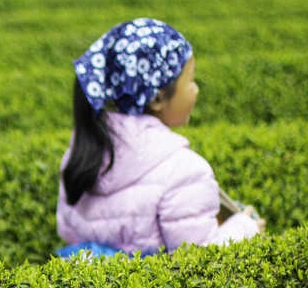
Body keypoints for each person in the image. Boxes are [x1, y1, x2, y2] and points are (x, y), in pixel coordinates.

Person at [56, 18, 264, 258]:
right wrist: (246, 227)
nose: (195, 89)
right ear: (157, 99)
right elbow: (200, 260)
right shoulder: (184, 171)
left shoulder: (81, 152)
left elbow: (69, 232)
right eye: (191, 80)